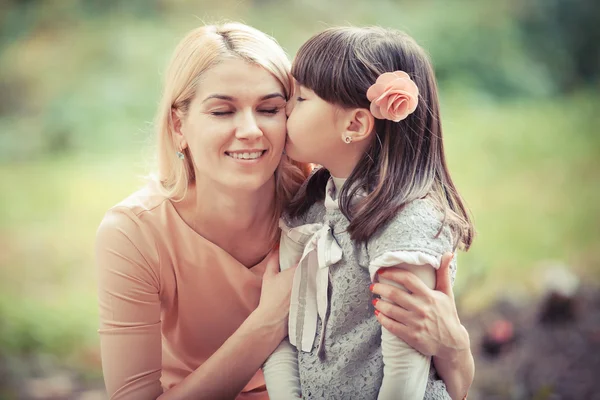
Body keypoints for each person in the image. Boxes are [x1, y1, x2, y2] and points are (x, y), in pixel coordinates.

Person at [95, 22, 473, 400]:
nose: (250, 130)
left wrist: (455, 350)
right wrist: (268, 322)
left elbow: (435, 382)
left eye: (270, 108)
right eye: (222, 112)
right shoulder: (134, 232)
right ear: (179, 125)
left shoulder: (325, 203)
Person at [262, 27, 474, 400]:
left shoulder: (403, 224)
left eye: (300, 98)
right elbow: (282, 338)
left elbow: (405, 373)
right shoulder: (309, 207)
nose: (285, 108)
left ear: (355, 124)